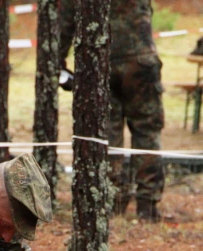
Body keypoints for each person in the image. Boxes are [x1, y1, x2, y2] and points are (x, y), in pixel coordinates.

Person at [59, 0, 165, 221]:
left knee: (108, 136)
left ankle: (114, 202)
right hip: (138, 61)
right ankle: (146, 206)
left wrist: (58, 61)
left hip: (100, 62)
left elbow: (67, 19)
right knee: (146, 132)